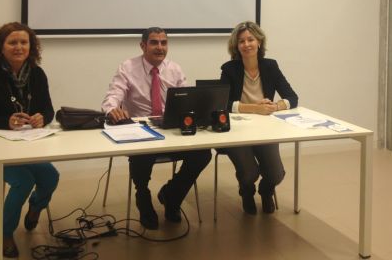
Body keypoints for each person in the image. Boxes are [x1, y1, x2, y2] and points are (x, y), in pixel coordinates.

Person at [102, 27, 211, 230]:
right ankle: (143, 196)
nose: (160, 47)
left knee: (202, 154)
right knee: (142, 154)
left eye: (164, 43)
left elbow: (187, 100)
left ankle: (172, 195)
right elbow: (114, 94)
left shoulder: (174, 69)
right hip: (141, 130)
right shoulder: (127, 67)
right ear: (143, 46)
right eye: (154, 42)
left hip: (170, 128)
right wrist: (112, 109)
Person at [0, 22, 59, 258]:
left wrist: (42, 117)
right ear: (1, 47)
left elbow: (49, 110)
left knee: (51, 176)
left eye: (24, 42)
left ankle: (35, 208)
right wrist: (5, 121)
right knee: (23, 181)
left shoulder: (37, 74)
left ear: (31, 46)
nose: (19, 47)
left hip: (22, 145)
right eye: (12, 42)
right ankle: (4, 233)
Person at [219, 21, 298, 215]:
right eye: (241, 41)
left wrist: (275, 106)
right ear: (236, 46)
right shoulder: (229, 69)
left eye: (250, 39)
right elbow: (222, 104)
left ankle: (265, 191)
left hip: (265, 130)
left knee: (276, 174)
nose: (246, 44)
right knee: (250, 173)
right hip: (237, 131)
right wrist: (254, 108)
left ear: (259, 42)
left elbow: (292, 98)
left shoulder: (270, 66)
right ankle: (246, 191)